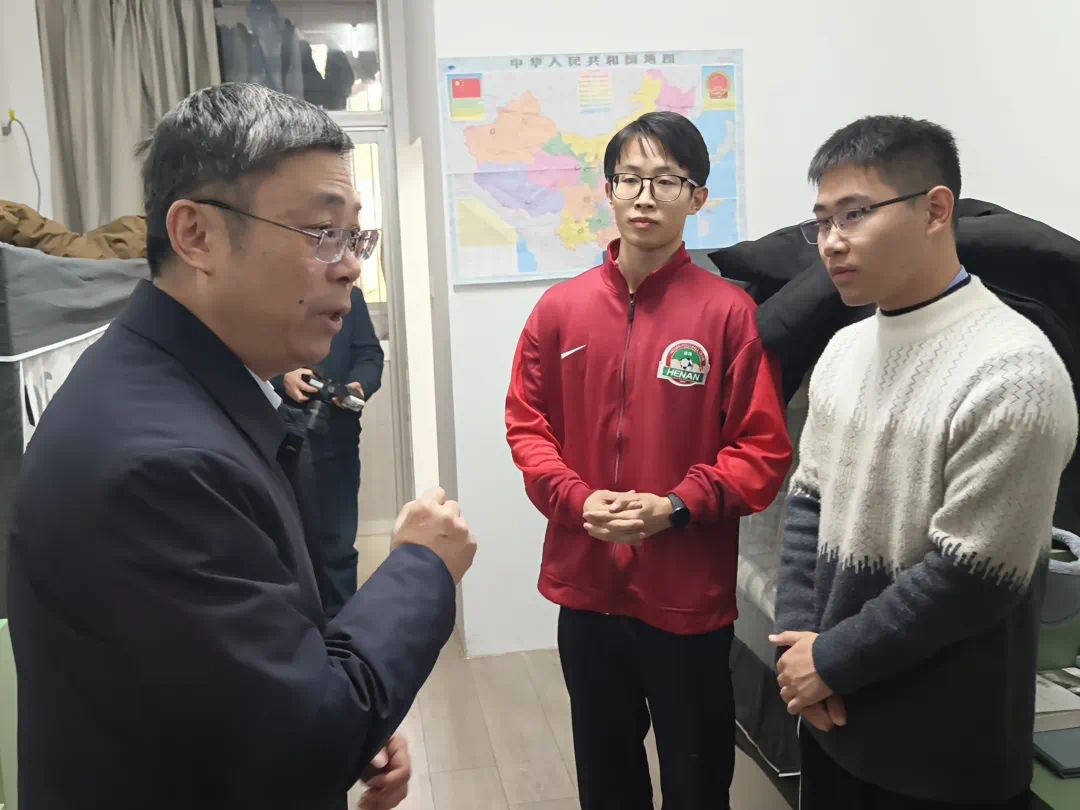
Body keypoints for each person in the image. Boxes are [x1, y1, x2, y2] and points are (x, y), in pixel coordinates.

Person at [8, 83, 476, 810]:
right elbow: (303, 740)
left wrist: (342, 691)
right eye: (322, 233)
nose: (350, 265)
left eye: (355, 237)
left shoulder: (183, 387)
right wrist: (422, 567)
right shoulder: (157, 465)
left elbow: (249, 674)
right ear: (197, 236)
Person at [770, 115, 1078, 809]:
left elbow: (971, 577)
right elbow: (807, 501)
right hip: (832, 723)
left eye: (855, 214)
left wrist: (828, 662)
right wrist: (798, 650)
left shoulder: (1015, 370)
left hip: (944, 753)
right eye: (822, 221)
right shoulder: (844, 350)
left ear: (937, 210)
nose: (832, 241)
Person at [505, 111, 793, 810]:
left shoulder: (730, 315)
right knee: (606, 779)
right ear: (608, 190)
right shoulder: (560, 311)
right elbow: (527, 427)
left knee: (697, 781)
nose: (644, 196)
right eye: (630, 178)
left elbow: (762, 450)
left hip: (686, 595)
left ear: (697, 198)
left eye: (667, 181)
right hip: (586, 588)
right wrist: (576, 498)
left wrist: (678, 505)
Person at [278, 283, 385, 618]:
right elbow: (241, 356)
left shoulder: (351, 297)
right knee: (285, 548)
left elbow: (370, 355)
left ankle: (341, 633)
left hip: (337, 438)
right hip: (277, 438)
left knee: (338, 547)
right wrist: (283, 378)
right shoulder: (267, 289)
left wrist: (358, 386)